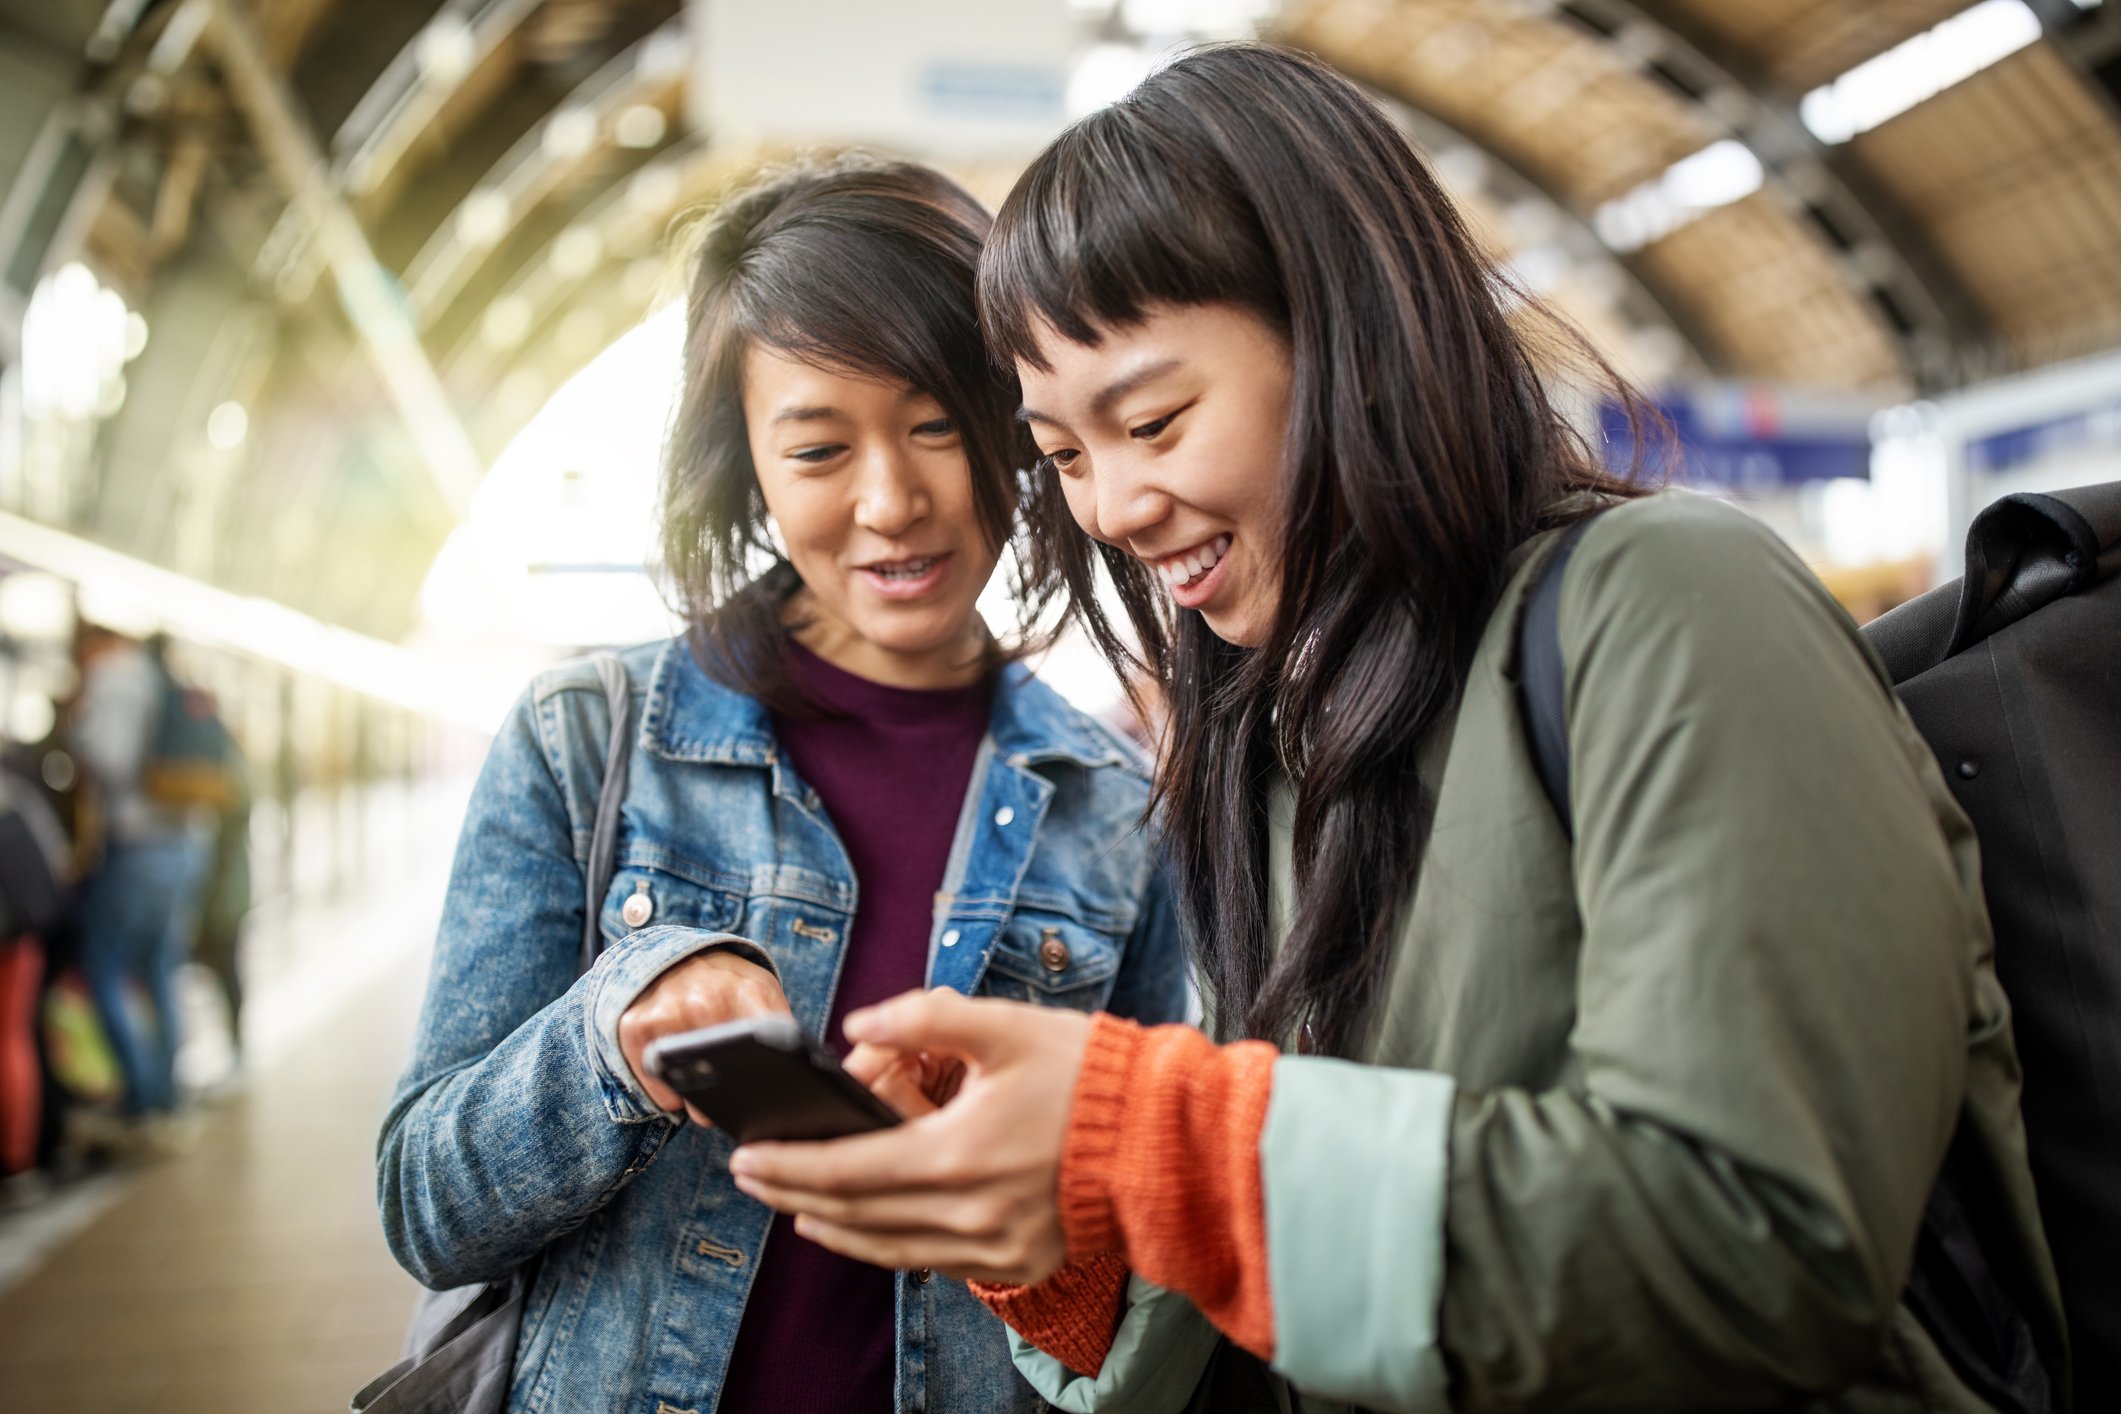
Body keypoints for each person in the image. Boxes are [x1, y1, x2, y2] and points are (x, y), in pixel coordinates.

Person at [725, 46, 2068, 1413]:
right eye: (1066, 454)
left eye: (1153, 418)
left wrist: (1167, 1136)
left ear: (1349, 334)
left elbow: (1764, 1245)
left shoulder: (1670, 605)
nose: (1114, 507)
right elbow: (1333, 1283)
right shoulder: (1274, 737)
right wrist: (1069, 1226)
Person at [375, 156, 1187, 1414]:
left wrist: (1040, 1207)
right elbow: (426, 1205)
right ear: (747, 464)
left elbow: (1148, 1253)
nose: (892, 501)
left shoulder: (1113, 807)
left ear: (1014, 433)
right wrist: (617, 1036)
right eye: (818, 447)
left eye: (936, 426)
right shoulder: (583, 741)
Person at [68, 624, 211, 1121]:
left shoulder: (112, 676)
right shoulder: (162, 674)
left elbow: (112, 761)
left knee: (102, 964)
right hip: (185, 844)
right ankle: (170, 1091)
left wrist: (76, 730)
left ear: (92, 643)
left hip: (137, 846)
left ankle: (143, 1093)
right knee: (160, 967)